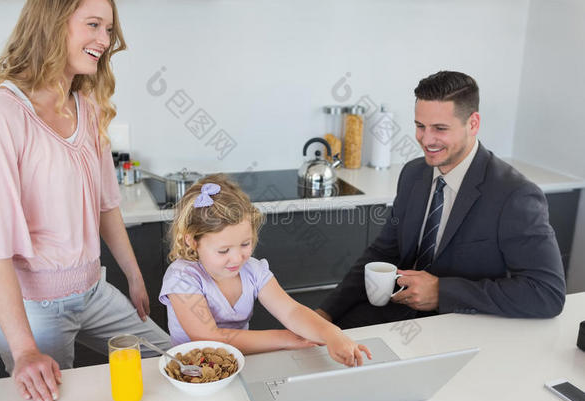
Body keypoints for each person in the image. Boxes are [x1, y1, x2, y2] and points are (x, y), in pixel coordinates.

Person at [0, 0, 170, 401]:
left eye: (109, 30)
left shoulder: (88, 107)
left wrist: (133, 275)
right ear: (52, 23)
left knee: (172, 364)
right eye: (94, 25)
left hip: (94, 291)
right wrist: (26, 349)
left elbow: (105, 204)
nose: (104, 40)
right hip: (32, 309)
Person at [316, 71, 566, 329]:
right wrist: (327, 311)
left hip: (460, 327)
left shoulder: (514, 194)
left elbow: (547, 293)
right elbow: (384, 252)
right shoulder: (413, 173)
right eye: (420, 126)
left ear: (473, 123)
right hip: (397, 318)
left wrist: (442, 292)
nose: (426, 139)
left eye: (440, 129)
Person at [159, 174, 372, 367]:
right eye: (223, 250)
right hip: (191, 372)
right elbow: (209, 337)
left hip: (237, 364)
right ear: (192, 241)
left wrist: (331, 333)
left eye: (245, 244)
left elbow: (291, 311)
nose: (237, 258)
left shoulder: (252, 270)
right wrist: (285, 339)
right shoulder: (182, 278)